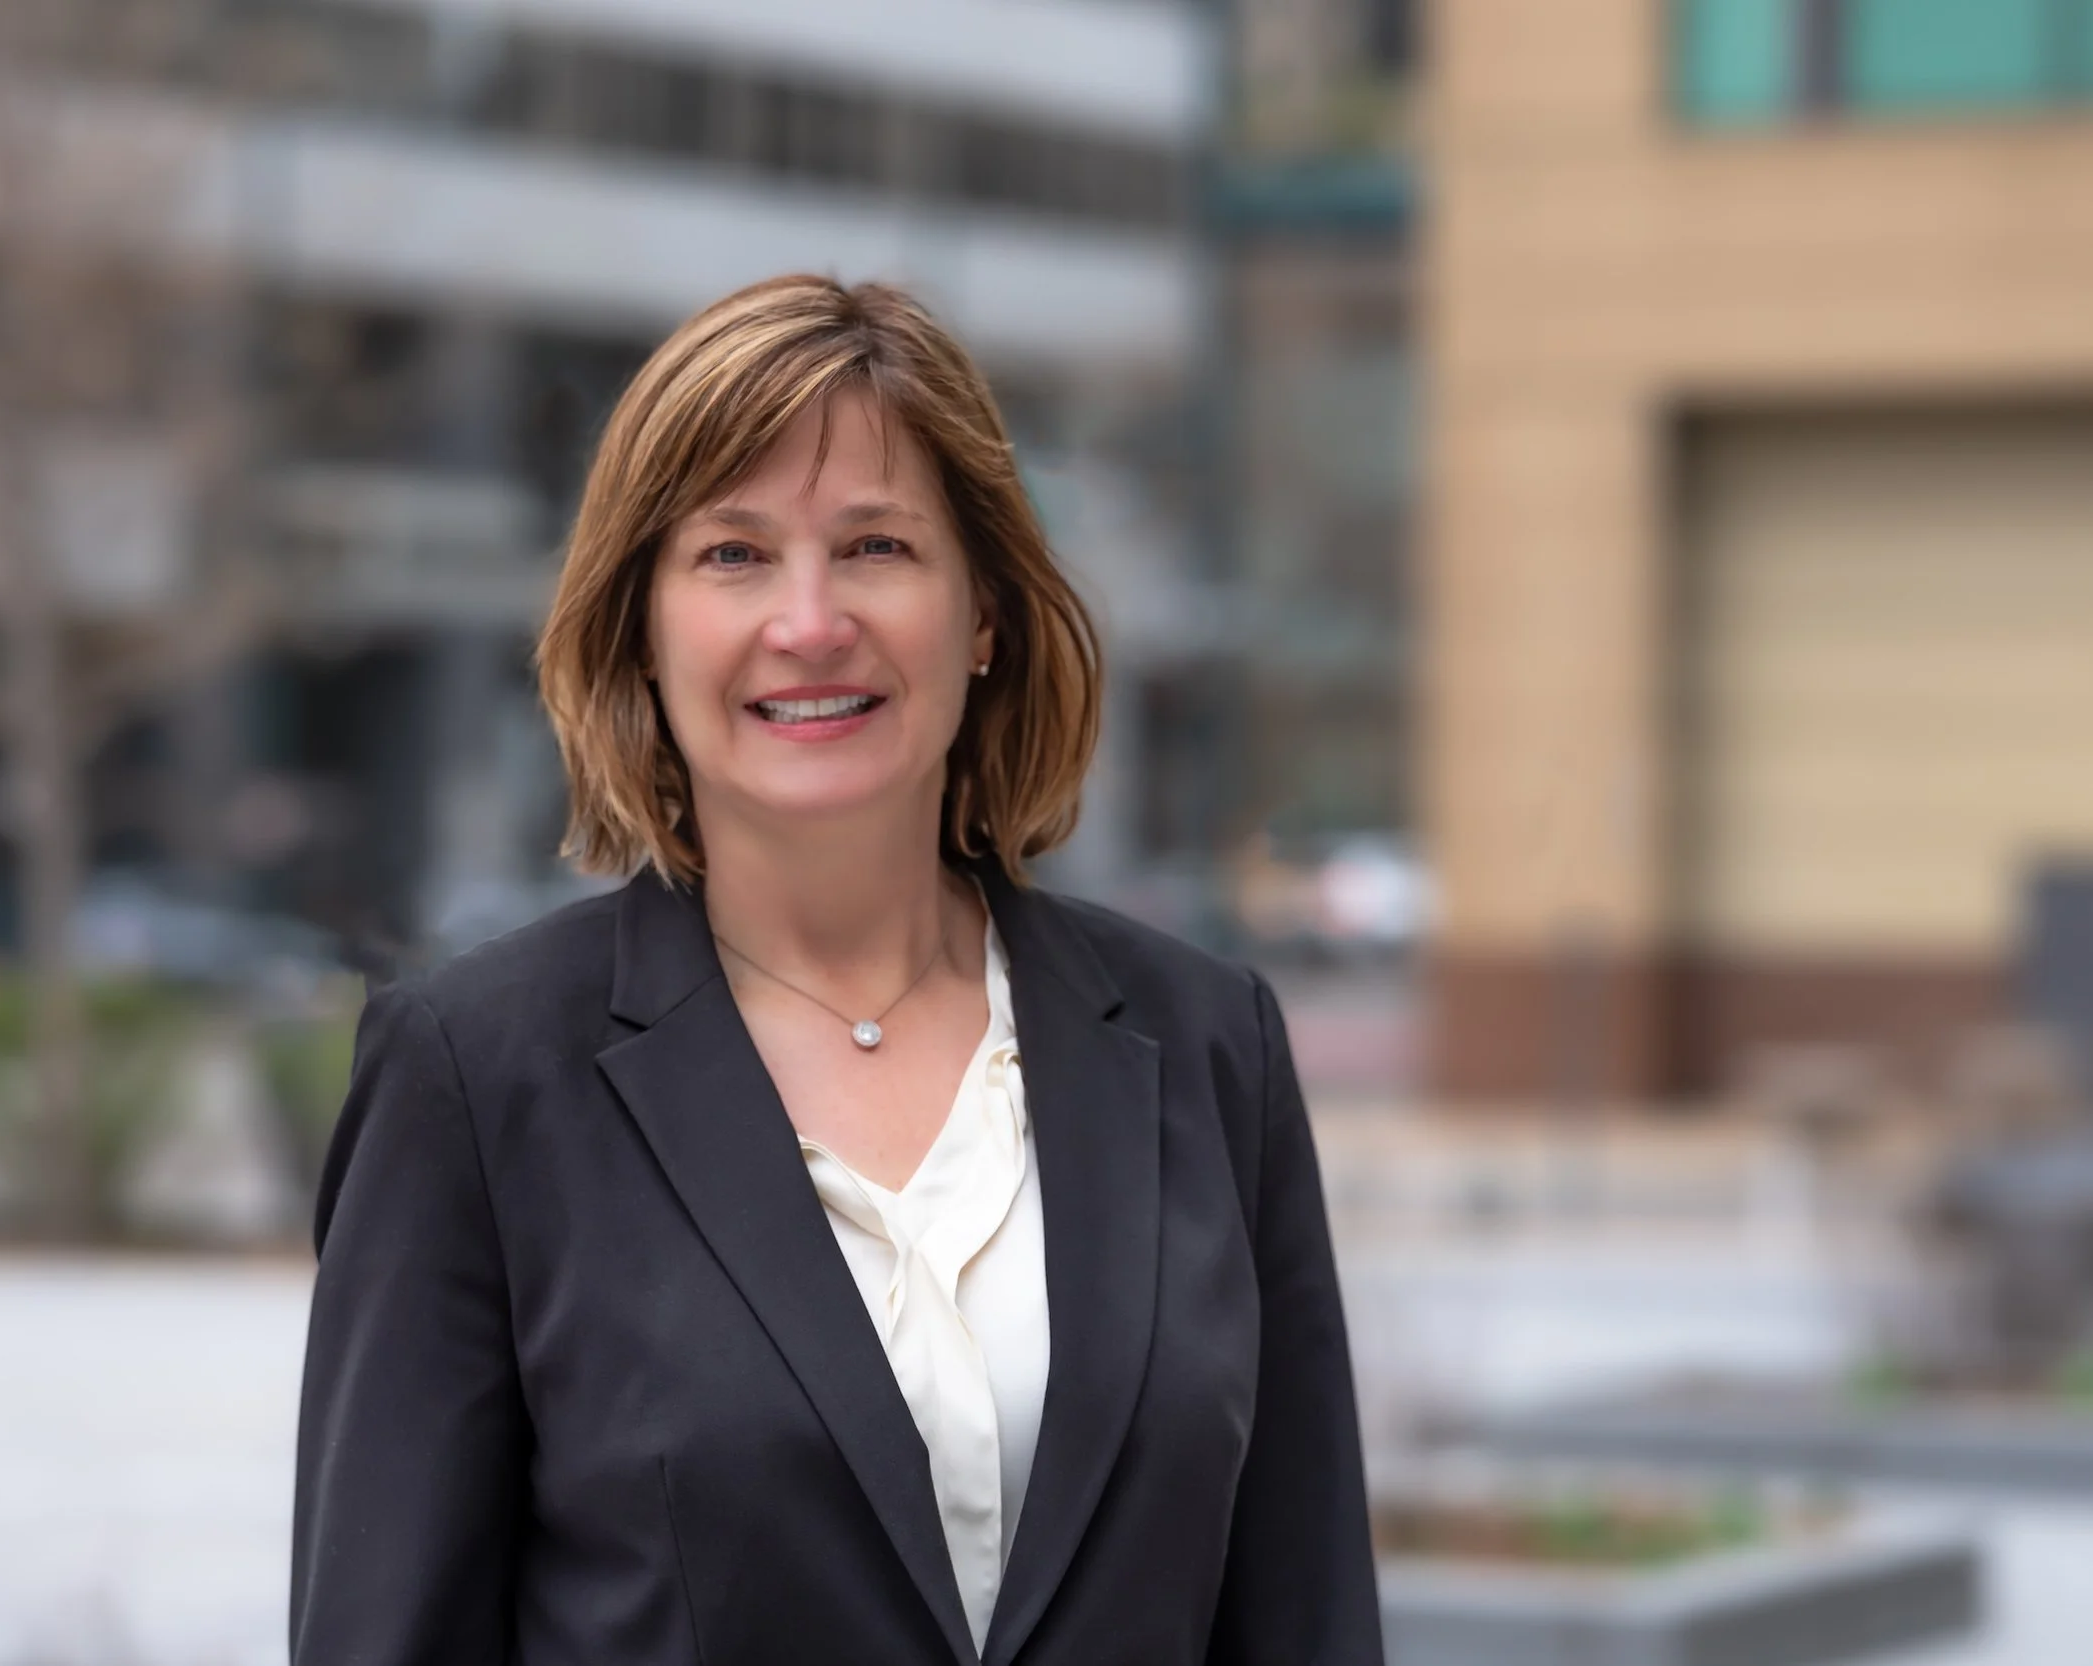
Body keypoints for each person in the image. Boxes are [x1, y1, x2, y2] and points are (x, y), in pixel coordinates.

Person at [290, 275, 1383, 1666]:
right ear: (644, 624)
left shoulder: (1211, 1046)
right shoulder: (474, 1078)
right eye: (734, 555)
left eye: (874, 545)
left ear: (984, 612)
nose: (809, 622)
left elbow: (1308, 1620)